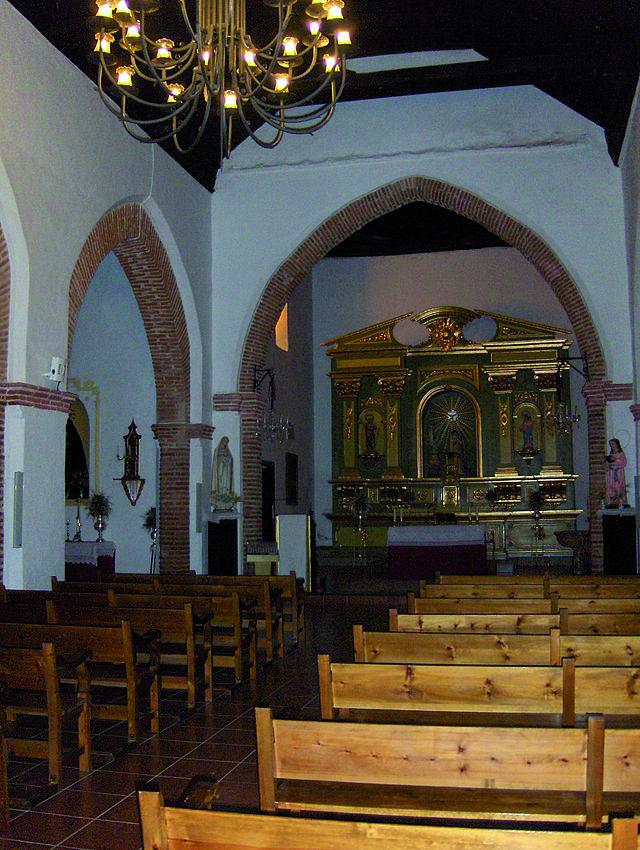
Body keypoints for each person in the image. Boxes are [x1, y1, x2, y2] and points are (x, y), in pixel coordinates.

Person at [605, 437, 628, 507]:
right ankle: (613, 501)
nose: (611, 446)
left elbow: (624, 462)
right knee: (611, 485)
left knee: (619, 485)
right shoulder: (611, 453)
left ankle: (622, 502)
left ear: (617, 444)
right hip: (612, 472)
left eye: (613, 444)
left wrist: (615, 461)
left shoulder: (620, 452)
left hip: (618, 472)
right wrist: (608, 463)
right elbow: (608, 462)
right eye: (610, 444)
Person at [212, 436, 233, 500]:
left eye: (226, 442)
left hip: (226, 469)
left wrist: (228, 460)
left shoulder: (228, 450)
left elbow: (231, 459)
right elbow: (216, 461)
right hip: (220, 470)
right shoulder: (217, 450)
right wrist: (222, 459)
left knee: (226, 482)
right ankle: (220, 493)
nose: (225, 443)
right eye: (224, 441)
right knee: (221, 482)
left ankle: (226, 493)